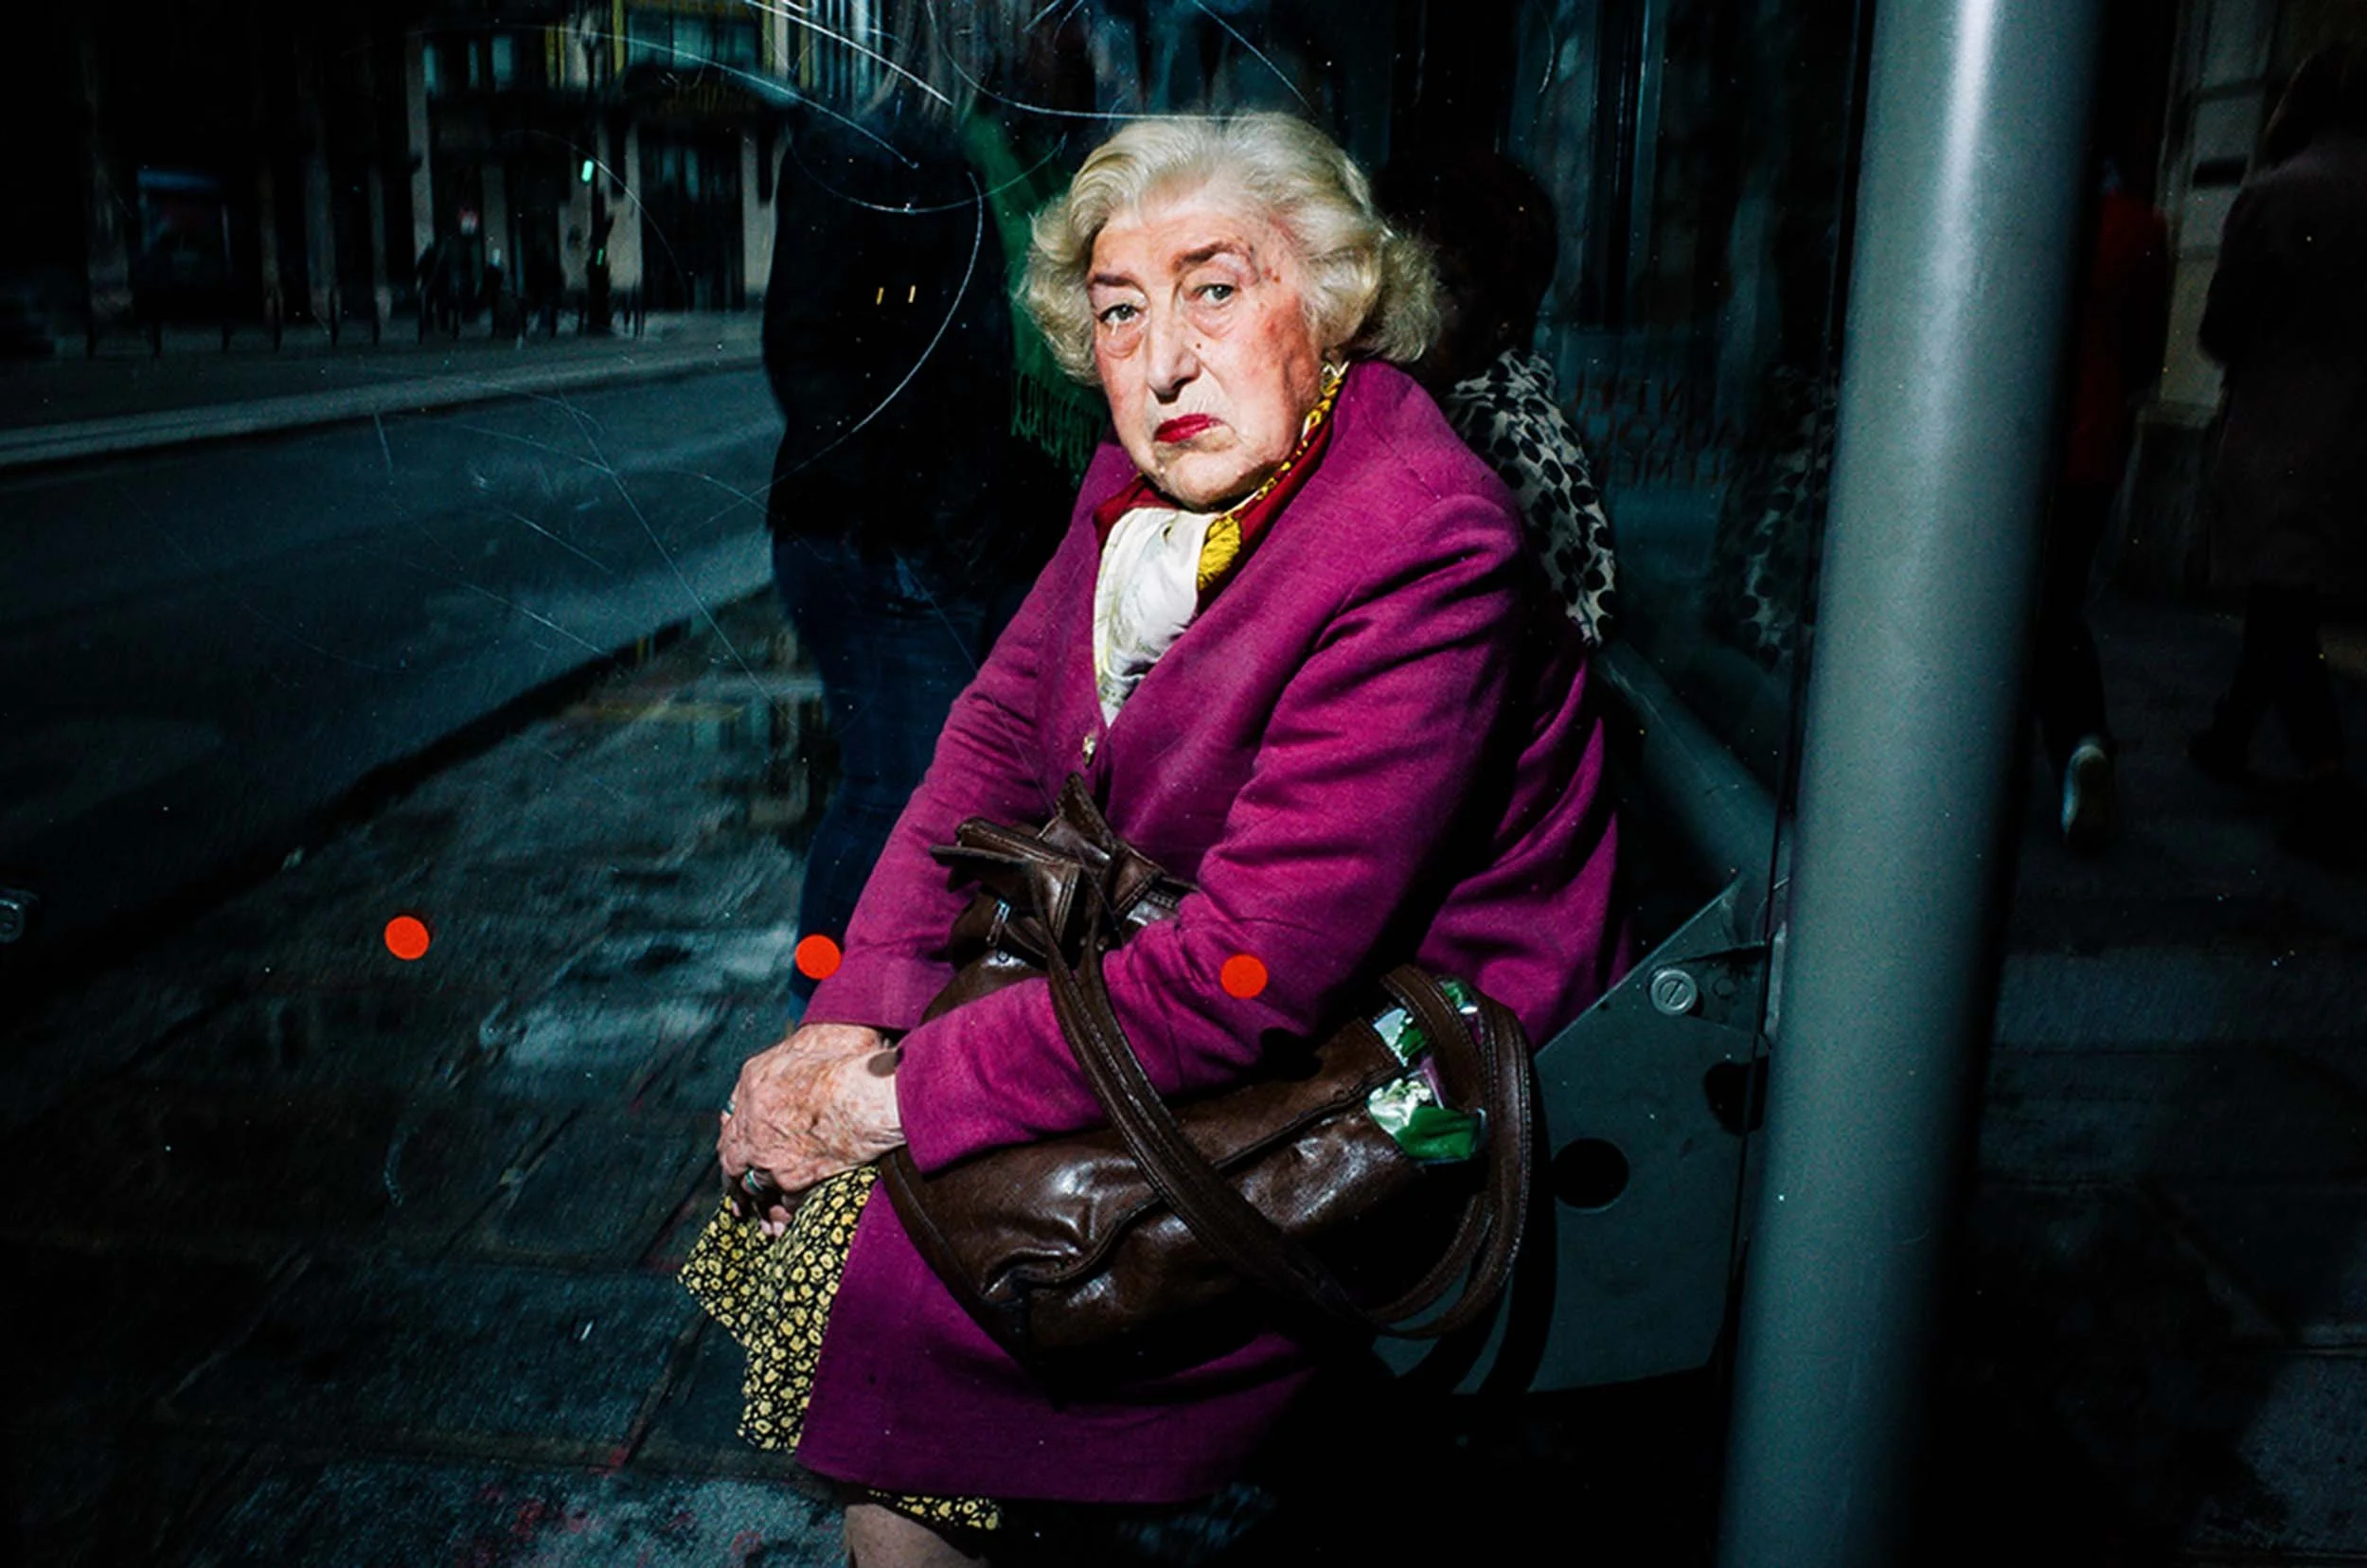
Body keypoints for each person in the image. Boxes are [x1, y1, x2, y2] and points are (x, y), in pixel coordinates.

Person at [685, 115, 1626, 1566]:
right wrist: (854, 1015)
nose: (1165, 359)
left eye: (1218, 287)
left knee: (902, 1279)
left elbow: (1248, 974)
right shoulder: (1144, 487)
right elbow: (985, 755)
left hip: (1394, 1061)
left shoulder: (1420, 541)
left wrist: (897, 1091)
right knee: (825, 1205)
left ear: (1331, 300)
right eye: (1123, 309)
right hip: (1213, 982)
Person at [2190, 45, 2367, 858]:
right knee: (2281, 600)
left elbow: (2220, 329)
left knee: (2281, 602)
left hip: (2281, 429)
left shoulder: (2275, 192)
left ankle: (2326, 775)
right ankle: (2230, 732)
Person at [1380, 149, 1617, 648]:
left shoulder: (1493, 433)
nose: (1402, 300)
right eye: (1391, 267)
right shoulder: (1440, 400)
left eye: (1442, 282)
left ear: (1502, 320)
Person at [2038, 159, 2169, 850]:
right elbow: (2148, 352)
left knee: (2025, 609)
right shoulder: (2141, 226)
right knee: (2059, 599)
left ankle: (2072, 741)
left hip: (2013, 441)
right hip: (2094, 438)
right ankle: (2082, 742)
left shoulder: (2031, 198)